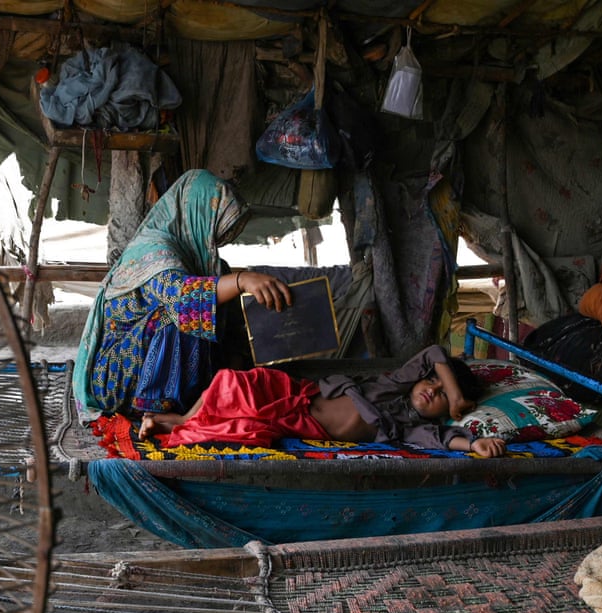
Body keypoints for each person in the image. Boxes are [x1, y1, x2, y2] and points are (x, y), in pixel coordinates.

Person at [73, 169, 294, 421]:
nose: (218, 239)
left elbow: (233, 331)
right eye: (215, 225)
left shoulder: (209, 265)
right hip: (114, 378)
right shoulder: (155, 251)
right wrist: (242, 279)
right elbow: (184, 301)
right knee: (183, 314)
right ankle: (155, 409)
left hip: (162, 371)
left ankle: (193, 405)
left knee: (215, 314)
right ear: (196, 212)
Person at [141, 344, 508, 457]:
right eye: (434, 382)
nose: (433, 390)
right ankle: (174, 419)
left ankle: (165, 423)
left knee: (241, 427)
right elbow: (435, 352)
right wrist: (455, 393)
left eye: (442, 396)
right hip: (296, 393)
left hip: (299, 423)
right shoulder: (396, 384)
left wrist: (475, 443)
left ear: (449, 411)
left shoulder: (410, 428)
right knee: (230, 384)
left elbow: (444, 440)